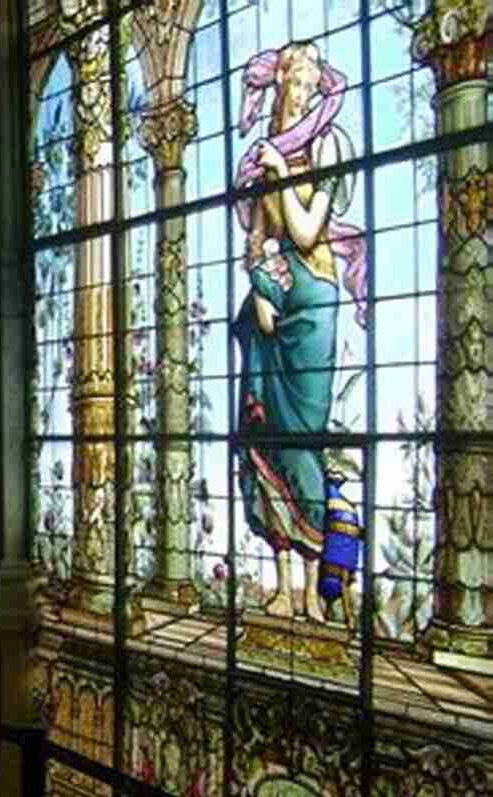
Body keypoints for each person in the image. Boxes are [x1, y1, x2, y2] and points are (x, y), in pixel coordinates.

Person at [231, 41, 367, 621]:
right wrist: (260, 288)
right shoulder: (264, 151)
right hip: (272, 300)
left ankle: (316, 585)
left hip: (313, 301)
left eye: (312, 73)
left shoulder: (329, 144)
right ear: (282, 81)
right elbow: (257, 239)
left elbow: (309, 232)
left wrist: (283, 172)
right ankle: (283, 583)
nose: (302, 82)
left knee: (303, 441)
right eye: (294, 73)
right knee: (261, 438)